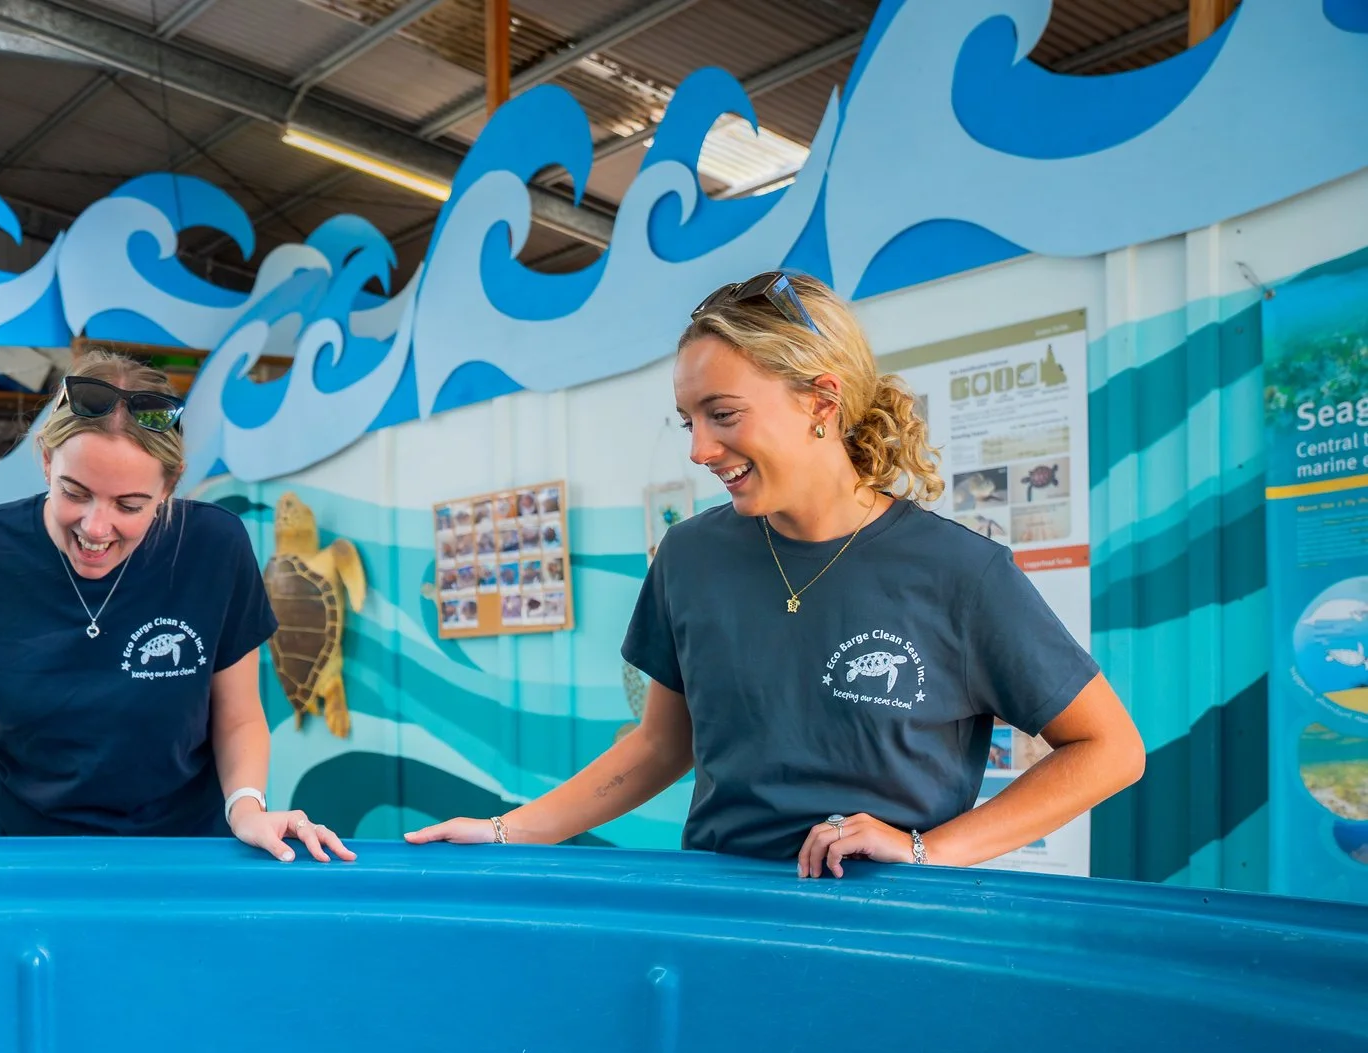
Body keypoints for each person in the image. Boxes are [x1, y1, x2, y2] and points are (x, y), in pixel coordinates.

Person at [408, 270, 1144, 875]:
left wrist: (931, 850)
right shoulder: (688, 557)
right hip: (722, 921)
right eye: (688, 420)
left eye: (723, 415)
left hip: (888, 932)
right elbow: (661, 745)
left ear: (821, 401)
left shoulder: (961, 572)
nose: (699, 449)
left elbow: (1110, 749)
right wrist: (506, 832)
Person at [0, 351, 354, 865]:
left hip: (181, 853)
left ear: (170, 486)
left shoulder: (214, 547)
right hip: (23, 853)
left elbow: (238, 717)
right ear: (45, 460)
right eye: (75, 493)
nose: (96, 527)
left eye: (129, 505)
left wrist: (247, 808)